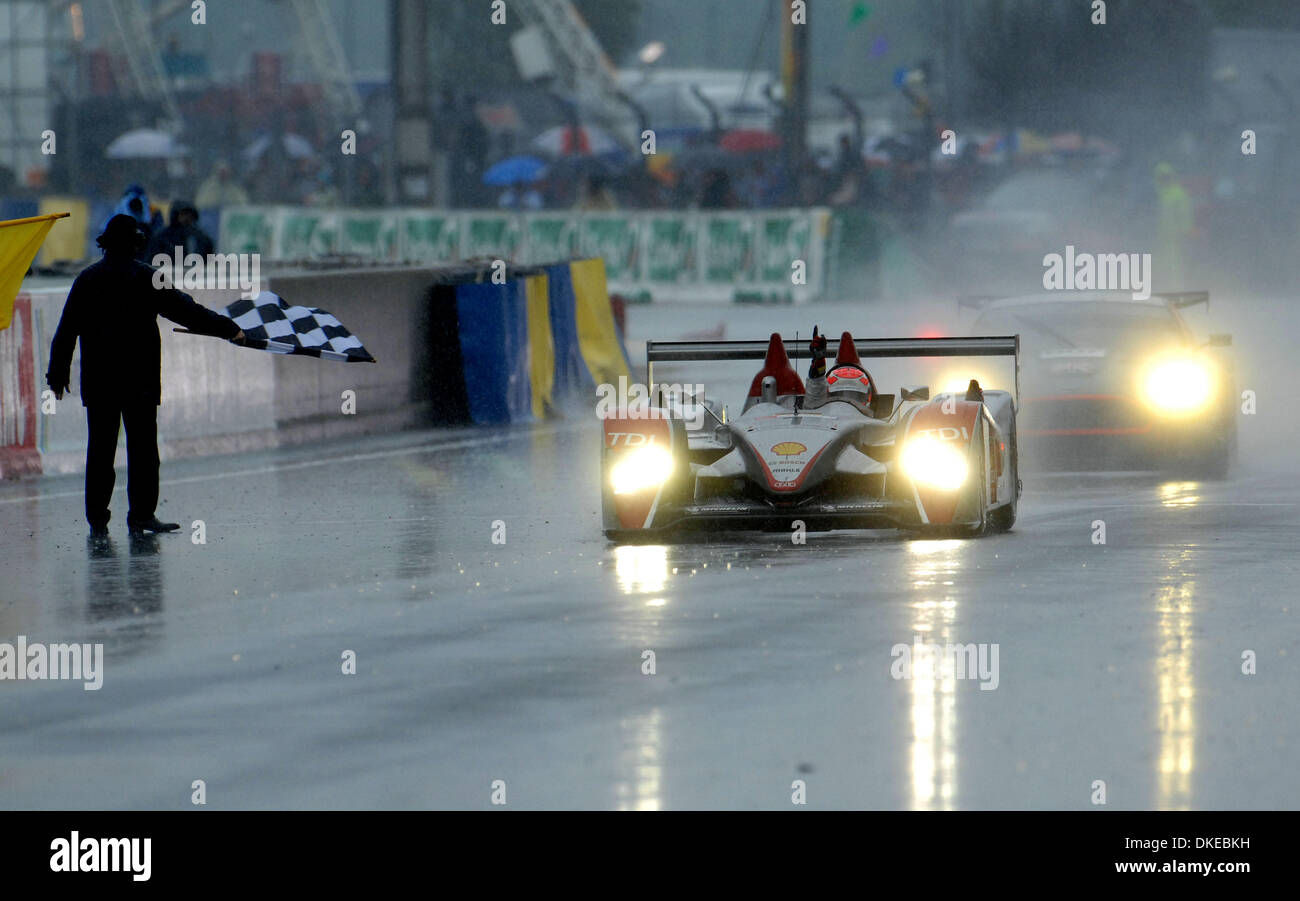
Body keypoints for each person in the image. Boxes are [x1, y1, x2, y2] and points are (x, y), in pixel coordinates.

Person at [45, 215, 246, 538]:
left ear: (105, 243)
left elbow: (66, 330)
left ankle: (97, 519)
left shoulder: (87, 279)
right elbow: (188, 312)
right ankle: (141, 516)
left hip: (100, 383)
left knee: (100, 451)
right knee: (143, 451)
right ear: (137, 243)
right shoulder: (148, 278)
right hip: (140, 381)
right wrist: (230, 329)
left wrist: (57, 374)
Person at [147, 200, 215, 260]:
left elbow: (209, 262)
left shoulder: (202, 239)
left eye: (190, 215)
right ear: (175, 215)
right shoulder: (162, 237)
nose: (187, 218)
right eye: (183, 214)